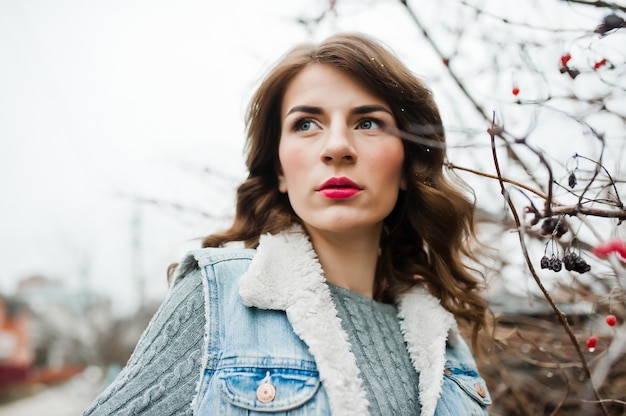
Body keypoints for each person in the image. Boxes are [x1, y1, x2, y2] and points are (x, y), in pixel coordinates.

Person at [83, 33, 491, 416]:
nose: (336, 148)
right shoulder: (218, 301)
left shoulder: (445, 343)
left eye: (367, 122)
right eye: (306, 124)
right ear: (279, 169)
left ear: (406, 165)